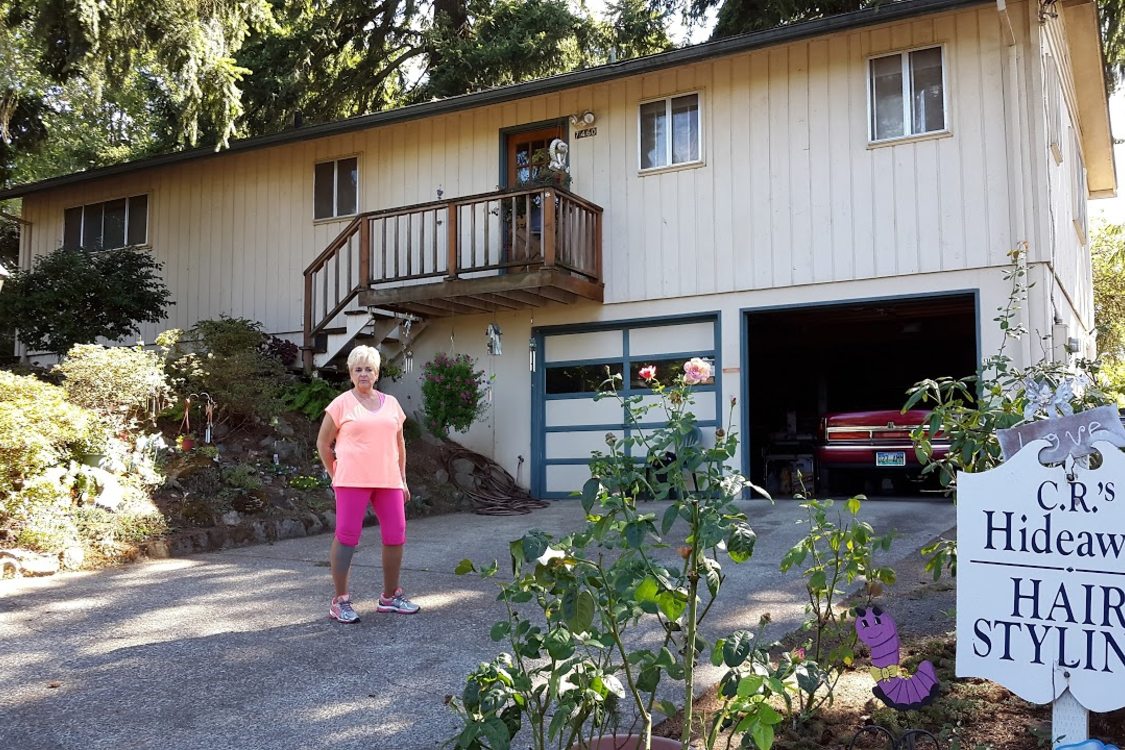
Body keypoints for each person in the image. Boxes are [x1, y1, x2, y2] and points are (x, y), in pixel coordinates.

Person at [316, 345, 419, 623]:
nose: (364, 374)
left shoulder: (392, 405)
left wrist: (403, 479)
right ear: (350, 373)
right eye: (358, 369)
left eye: (369, 369)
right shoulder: (340, 404)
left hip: (388, 481)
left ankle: (390, 597)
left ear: (377, 373)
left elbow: (400, 444)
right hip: (352, 481)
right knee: (347, 536)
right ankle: (341, 601)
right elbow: (323, 443)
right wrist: (334, 472)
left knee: (396, 534)